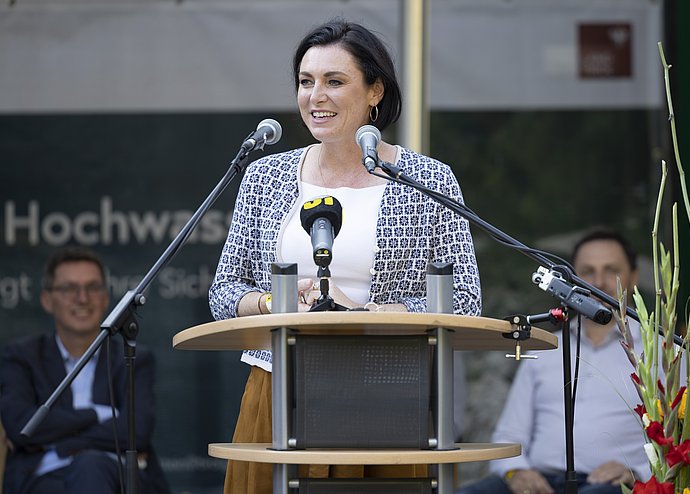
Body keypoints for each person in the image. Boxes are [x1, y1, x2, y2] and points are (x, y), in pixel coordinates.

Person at [209, 18, 481, 494]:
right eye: (306, 82)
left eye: (335, 82)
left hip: (386, 390)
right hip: (279, 390)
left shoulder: (426, 179)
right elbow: (224, 293)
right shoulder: (264, 176)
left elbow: (466, 300)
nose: (316, 96)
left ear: (375, 91)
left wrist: (378, 312)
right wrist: (275, 303)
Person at [456, 229, 648, 494]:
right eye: (588, 272)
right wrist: (516, 472)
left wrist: (637, 473)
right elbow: (508, 436)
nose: (600, 282)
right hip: (538, 482)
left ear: (633, 278)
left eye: (611, 270)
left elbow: (684, 440)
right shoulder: (545, 347)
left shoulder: (659, 351)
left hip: (612, 485)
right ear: (572, 282)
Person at [0, 247, 169, 494]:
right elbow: (22, 428)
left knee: (91, 465)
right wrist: (96, 414)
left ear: (105, 298)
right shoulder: (21, 356)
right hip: (46, 479)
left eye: (92, 288)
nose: (82, 298)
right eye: (69, 288)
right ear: (47, 300)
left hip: (119, 476)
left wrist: (63, 442)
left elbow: (137, 432)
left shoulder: (134, 357)